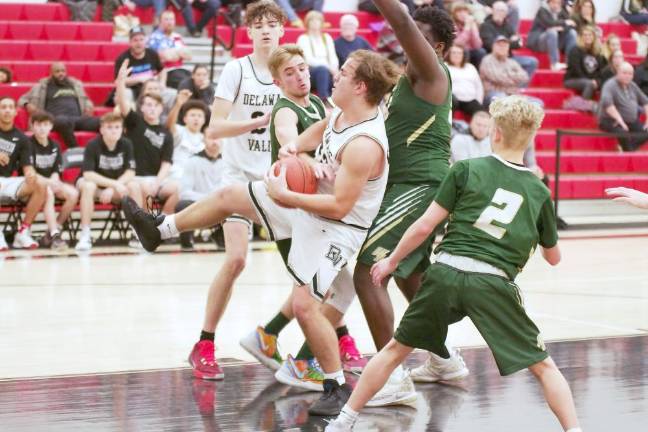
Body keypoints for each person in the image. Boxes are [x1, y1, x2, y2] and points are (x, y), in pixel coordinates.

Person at [122, 48, 399, 417]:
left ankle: (333, 386)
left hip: (336, 229)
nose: (334, 74)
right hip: (308, 203)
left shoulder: (365, 143)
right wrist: (295, 146)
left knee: (306, 305)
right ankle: (161, 230)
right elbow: (322, 127)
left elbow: (340, 208)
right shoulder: (342, 112)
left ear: (361, 86)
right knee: (230, 195)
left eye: (344, 72)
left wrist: (289, 194)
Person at [325, 96, 582, 432]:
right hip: (492, 282)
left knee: (393, 351)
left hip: (445, 272)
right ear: (531, 137)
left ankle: (343, 422)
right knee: (544, 367)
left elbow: (423, 227)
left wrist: (391, 261)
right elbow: (554, 257)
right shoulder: (538, 191)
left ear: (495, 133)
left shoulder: (466, 169)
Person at [160, 0, 286, 382]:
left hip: (278, 181)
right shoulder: (237, 69)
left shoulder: (290, 71)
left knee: (308, 267)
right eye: (258, 24)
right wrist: (256, 123)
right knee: (235, 261)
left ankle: (328, 341)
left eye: (271, 24)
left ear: (282, 30)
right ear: (248, 31)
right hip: (238, 179)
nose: (265, 30)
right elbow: (214, 128)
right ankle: (205, 343)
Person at [351, 1, 468, 408]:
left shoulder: (432, 72)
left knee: (369, 272)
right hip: (405, 183)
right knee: (409, 274)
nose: (408, 40)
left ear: (434, 46)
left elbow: (399, 18)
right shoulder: (410, 77)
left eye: (419, 35)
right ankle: (443, 358)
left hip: (421, 184)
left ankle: (391, 378)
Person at [238, 45, 367, 388]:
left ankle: (269, 336)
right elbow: (288, 142)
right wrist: (312, 163)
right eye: (290, 73)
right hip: (290, 209)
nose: (300, 76)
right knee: (327, 290)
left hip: (307, 209)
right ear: (278, 81)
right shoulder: (284, 111)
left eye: (302, 68)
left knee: (325, 288)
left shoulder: (317, 104)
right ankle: (305, 360)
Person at [115, 60, 179, 223]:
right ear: (141, 107)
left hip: (155, 178)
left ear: (161, 108)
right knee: (143, 189)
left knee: (176, 190)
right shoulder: (135, 122)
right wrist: (121, 82)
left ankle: (164, 224)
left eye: (155, 105)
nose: (151, 108)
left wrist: (158, 182)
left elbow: (166, 163)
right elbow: (123, 105)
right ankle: (147, 225)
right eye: (148, 105)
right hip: (136, 178)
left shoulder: (166, 133)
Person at [74, 113, 142, 251]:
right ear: (102, 130)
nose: (114, 130)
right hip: (93, 185)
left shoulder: (126, 144)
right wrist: (115, 185)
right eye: (109, 127)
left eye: (117, 127)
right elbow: (88, 174)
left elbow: (131, 172)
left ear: (122, 129)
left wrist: (113, 188)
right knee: (88, 186)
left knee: (134, 185)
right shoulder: (93, 145)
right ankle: (85, 235)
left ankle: (137, 233)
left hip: (113, 187)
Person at [0, 96, 46, 251]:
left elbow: (27, 166)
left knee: (39, 183)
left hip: (6, 182)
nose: (6, 110)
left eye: (10, 107)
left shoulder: (22, 138)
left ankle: (23, 231)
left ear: (15, 112)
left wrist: (31, 173)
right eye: (3, 107)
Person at [19, 62, 99, 149]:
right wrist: (27, 105)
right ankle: (75, 150)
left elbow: (86, 99)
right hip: (55, 120)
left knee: (103, 122)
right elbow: (22, 99)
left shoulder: (75, 85)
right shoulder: (41, 86)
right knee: (63, 121)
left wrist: (89, 107)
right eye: (57, 71)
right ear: (51, 73)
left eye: (63, 71)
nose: (61, 74)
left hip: (77, 119)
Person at [29, 111, 79, 250]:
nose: (42, 128)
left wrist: (54, 179)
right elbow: (29, 172)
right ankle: (55, 235)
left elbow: (57, 170)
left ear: (51, 127)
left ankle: (54, 229)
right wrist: (50, 183)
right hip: (33, 183)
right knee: (49, 192)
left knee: (73, 194)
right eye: (38, 125)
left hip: (51, 181)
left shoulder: (55, 145)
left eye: (45, 125)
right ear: (32, 127)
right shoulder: (28, 144)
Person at [176, 134, 224, 250]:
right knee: (182, 205)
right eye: (211, 138)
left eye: (217, 137)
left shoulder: (229, 162)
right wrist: (208, 199)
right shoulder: (192, 161)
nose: (214, 142)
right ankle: (187, 242)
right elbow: (184, 193)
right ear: (204, 140)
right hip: (198, 204)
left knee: (237, 204)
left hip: (221, 206)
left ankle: (220, 236)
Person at [479, 1, 538, 78]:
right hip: (493, 59)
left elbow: (519, 44)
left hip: (509, 58)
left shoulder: (508, 26)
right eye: (497, 10)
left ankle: (520, 89)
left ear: (506, 14)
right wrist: (510, 42)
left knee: (532, 62)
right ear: (492, 11)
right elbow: (489, 45)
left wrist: (502, 43)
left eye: (502, 11)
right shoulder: (485, 26)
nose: (499, 13)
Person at [598, 62, 648, 152]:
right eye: (624, 73)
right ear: (618, 72)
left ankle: (627, 150)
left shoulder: (632, 85)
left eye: (630, 74)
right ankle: (628, 152)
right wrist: (620, 120)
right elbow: (607, 104)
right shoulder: (610, 85)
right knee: (623, 133)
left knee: (646, 132)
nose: (627, 76)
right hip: (611, 120)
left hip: (631, 120)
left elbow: (645, 102)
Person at [480, 36, 537, 106]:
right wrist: (514, 79)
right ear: (493, 47)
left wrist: (506, 74)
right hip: (493, 93)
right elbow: (498, 78)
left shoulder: (512, 62)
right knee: (502, 100)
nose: (502, 47)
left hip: (512, 94)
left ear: (508, 48)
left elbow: (525, 77)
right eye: (499, 45)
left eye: (505, 46)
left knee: (537, 103)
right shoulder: (487, 60)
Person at [114, 26, 165, 103]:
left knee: (171, 93)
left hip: (152, 89)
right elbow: (118, 82)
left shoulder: (152, 54)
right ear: (130, 42)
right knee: (125, 94)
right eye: (135, 40)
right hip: (132, 90)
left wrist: (162, 83)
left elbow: (162, 70)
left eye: (141, 39)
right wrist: (140, 79)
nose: (139, 43)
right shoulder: (122, 58)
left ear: (145, 40)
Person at [297, 11, 339, 105]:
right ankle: (323, 100)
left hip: (328, 70)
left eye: (318, 20)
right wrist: (329, 68)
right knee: (322, 70)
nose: (315, 23)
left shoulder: (327, 37)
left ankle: (338, 100)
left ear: (321, 23)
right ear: (308, 23)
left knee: (341, 73)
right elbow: (308, 59)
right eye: (312, 20)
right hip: (310, 73)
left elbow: (333, 56)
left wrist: (335, 69)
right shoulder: (303, 38)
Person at [166, 90, 209, 179]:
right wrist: (178, 104)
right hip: (176, 174)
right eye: (193, 115)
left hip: (197, 177)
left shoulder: (205, 138)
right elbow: (169, 125)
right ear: (185, 119)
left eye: (199, 116)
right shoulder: (179, 130)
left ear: (204, 120)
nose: (196, 118)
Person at [527, 0, 577, 71]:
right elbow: (549, 23)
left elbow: (571, 25)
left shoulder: (562, 12)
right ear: (548, 2)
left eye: (558, 3)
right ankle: (554, 63)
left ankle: (569, 63)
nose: (556, 5)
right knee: (552, 32)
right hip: (540, 41)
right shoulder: (542, 10)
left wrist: (561, 27)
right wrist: (563, 23)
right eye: (553, 2)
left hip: (556, 41)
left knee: (572, 33)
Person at [148, 10, 193, 89]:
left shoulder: (177, 36)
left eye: (172, 19)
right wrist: (179, 52)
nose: (169, 22)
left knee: (199, 81)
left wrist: (172, 53)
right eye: (166, 19)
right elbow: (163, 57)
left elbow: (189, 56)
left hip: (181, 70)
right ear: (160, 22)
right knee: (187, 84)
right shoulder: (155, 37)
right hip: (166, 72)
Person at [563, 25, 607, 100]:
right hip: (572, 79)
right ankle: (582, 105)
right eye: (585, 35)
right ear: (581, 37)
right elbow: (576, 70)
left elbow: (601, 70)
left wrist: (597, 81)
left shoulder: (598, 52)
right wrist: (591, 81)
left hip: (590, 80)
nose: (587, 37)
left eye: (590, 35)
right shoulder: (575, 50)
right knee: (589, 84)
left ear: (594, 37)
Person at [446, 44, 485, 117]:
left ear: (463, 55)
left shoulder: (470, 67)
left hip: (469, 100)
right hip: (452, 100)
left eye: (459, 53)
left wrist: (478, 101)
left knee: (481, 113)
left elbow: (479, 86)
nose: (456, 55)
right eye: (454, 53)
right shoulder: (445, 67)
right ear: (449, 54)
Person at [452, 2, 486, 68]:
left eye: (465, 11)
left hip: (471, 52)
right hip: (457, 52)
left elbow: (478, 45)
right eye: (459, 11)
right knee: (465, 51)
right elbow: (458, 44)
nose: (462, 14)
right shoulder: (452, 26)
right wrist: (467, 28)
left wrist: (473, 27)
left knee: (481, 52)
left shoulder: (472, 24)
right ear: (454, 14)